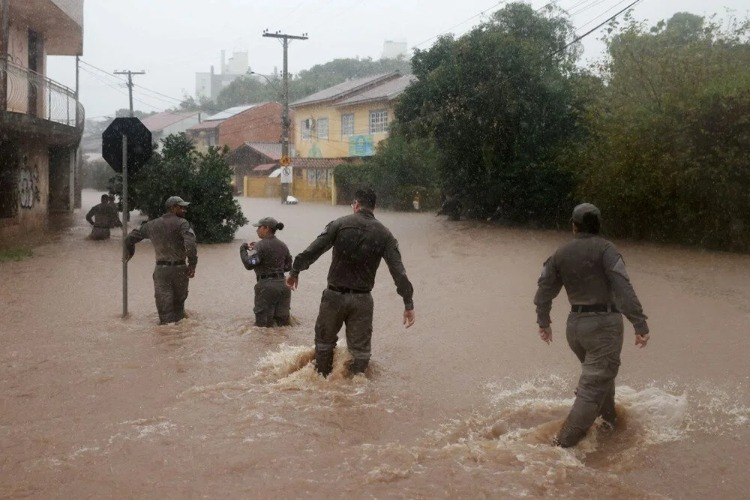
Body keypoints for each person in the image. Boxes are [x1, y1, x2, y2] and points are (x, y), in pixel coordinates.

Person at [534, 203, 650, 448]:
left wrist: (543, 321)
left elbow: (544, 289)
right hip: (603, 326)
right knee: (592, 387)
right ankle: (560, 447)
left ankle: (609, 424)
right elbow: (623, 286)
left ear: (574, 226)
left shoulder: (560, 253)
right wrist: (639, 323)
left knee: (599, 380)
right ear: (598, 226)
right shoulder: (606, 249)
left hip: (575, 328)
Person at [286, 188, 416, 377]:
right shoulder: (385, 235)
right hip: (362, 301)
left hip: (334, 297)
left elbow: (313, 250)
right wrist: (408, 303)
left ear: (355, 204)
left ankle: (322, 385)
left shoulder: (339, 224)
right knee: (360, 355)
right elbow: (399, 273)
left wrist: (295, 271)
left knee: (323, 346)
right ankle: (354, 393)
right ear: (374, 207)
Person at [124, 196, 198, 325]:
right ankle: (178, 341)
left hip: (161, 271)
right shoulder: (182, 223)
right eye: (181, 207)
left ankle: (165, 340)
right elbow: (190, 245)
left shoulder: (152, 225)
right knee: (179, 311)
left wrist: (130, 254)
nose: (184, 210)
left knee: (164, 313)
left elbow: (129, 239)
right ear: (173, 208)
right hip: (180, 270)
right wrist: (192, 265)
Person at [240, 216, 293, 327]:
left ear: (266, 228)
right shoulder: (283, 245)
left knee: (262, 326)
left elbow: (249, 264)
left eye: (259, 227)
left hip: (267, 287)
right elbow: (288, 267)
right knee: (282, 325)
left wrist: (243, 250)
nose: (257, 230)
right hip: (284, 286)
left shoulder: (261, 245)